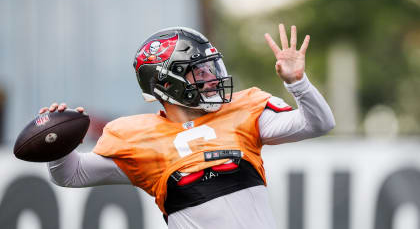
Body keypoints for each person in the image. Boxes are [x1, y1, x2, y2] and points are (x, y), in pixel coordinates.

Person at [41, 24, 335, 229]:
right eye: (199, 71)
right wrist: (56, 142)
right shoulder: (135, 136)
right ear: (167, 83)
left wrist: (298, 82)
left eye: (211, 68)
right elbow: (71, 174)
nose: (211, 78)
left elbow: (319, 123)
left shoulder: (243, 109)